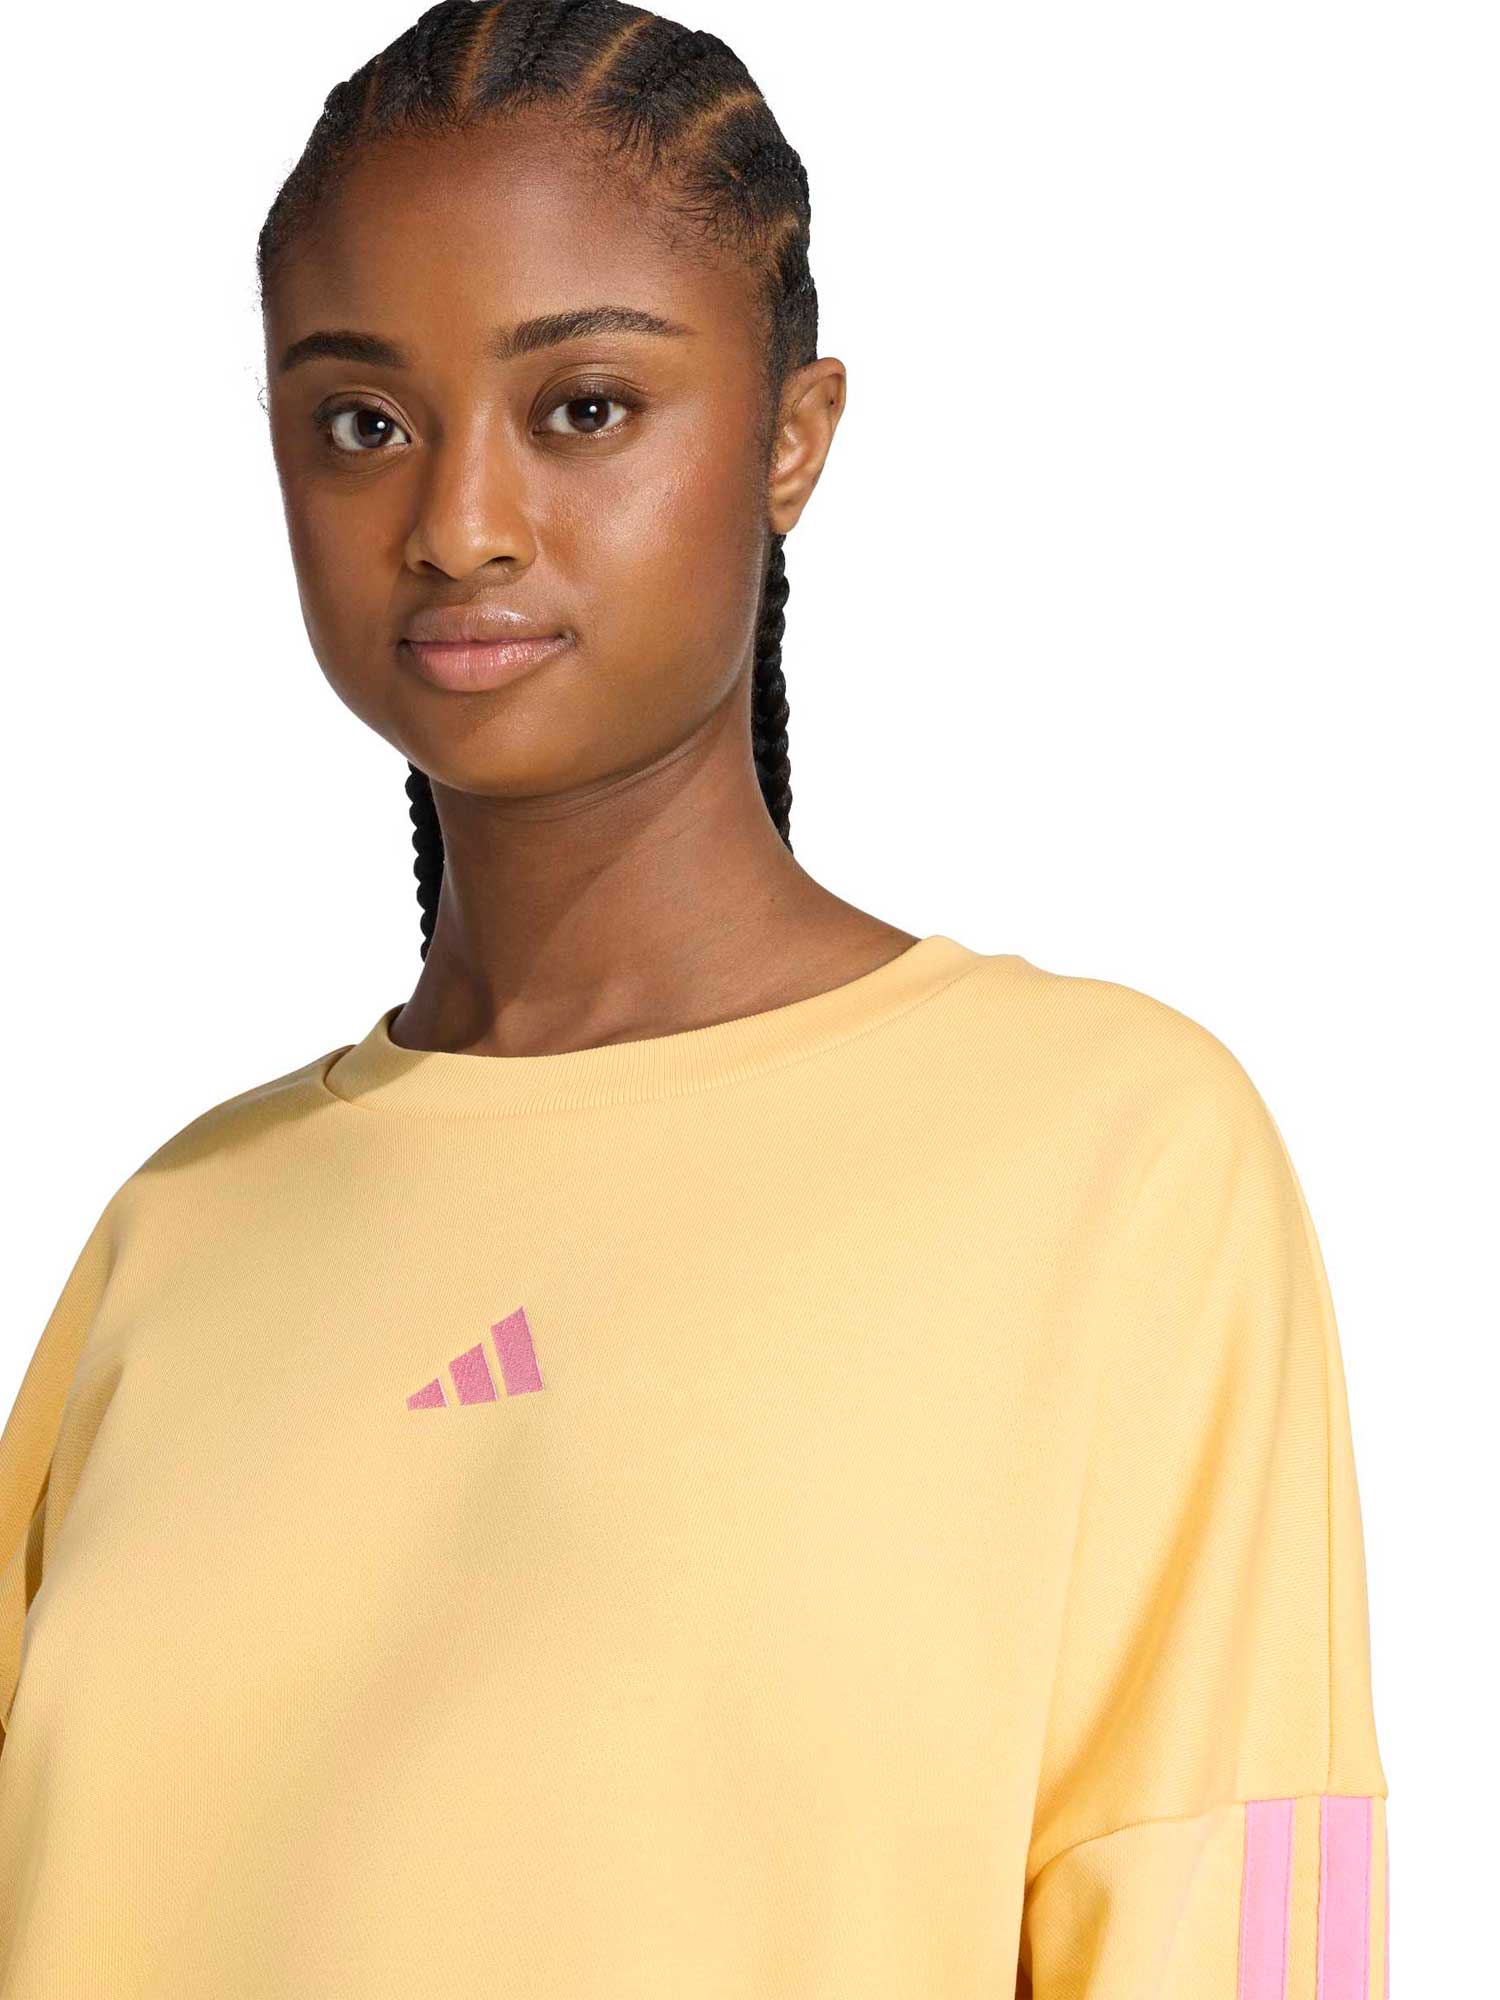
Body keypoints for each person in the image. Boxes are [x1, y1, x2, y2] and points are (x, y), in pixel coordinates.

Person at [0, 4, 1389, 1993]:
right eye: (363, 423)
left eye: (582, 407)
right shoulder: (178, 1235)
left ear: (792, 436)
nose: (459, 523)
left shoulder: (1113, 1161)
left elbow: (1233, 1930)